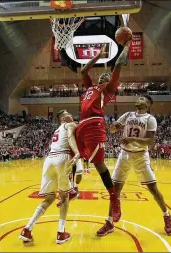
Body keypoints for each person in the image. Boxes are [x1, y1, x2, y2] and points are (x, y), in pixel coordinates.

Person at [76, 41, 131, 236]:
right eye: (103, 74)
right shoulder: (91, 87)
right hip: (81, 125)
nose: (105, 75)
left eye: (108, 76)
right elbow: (83, 70)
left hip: (94, 124)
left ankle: (114, 198)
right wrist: (99, 56)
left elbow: (117, 66)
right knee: (70, 155)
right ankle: (73, 187)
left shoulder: (108, 89)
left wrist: (127, 46)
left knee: (99, 165)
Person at [110, 95, 171, 235]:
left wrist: (132, 138)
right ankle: (110, 220)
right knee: (115, 189)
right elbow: (113, 130)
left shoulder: (150, 119)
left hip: (140, 155)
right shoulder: (127, 115)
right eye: (138, 98)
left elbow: (150, 142)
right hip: (124, 154)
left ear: (148, 104)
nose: (138, 99)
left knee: (153, 189)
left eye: (142, 99)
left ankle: (167, 215)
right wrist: (113, 126)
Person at [19, 110, 80, 244]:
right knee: (64, 197)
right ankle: (61, 233)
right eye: (67, 114)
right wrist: (77, 153)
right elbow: (70, 137)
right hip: (62, 158)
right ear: (63, 118)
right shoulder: (69, 124)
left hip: (49, 160)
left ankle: (27, 229)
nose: (71, 115)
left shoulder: (57, 130)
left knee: (50, 197)